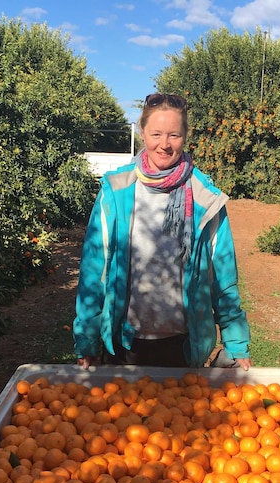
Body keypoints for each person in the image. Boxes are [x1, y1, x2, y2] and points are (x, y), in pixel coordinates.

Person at [73, 92, 252, 371]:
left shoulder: (205, 197)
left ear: (185, 136)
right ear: (142, 133)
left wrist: (236, 340)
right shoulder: (116, 190)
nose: (164, 145)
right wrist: (87, 339)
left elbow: (223, 274)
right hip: (125, 343)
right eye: (156, 134)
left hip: (182, 344)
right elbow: (94, 272)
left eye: (174, 135)